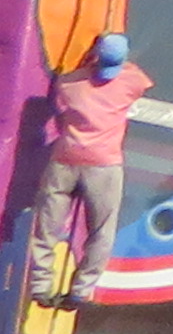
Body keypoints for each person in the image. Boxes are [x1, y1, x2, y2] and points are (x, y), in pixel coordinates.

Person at [38, 34, 147, 293]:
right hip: (104, 164)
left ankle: (40, 284)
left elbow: (65, 84)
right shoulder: (131, 83)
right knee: (101, 230)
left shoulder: (69, 84)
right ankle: (81, 289)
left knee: (47, 227)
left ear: (96, 55)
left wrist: (89, 56)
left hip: (65, 159)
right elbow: (137, 74)